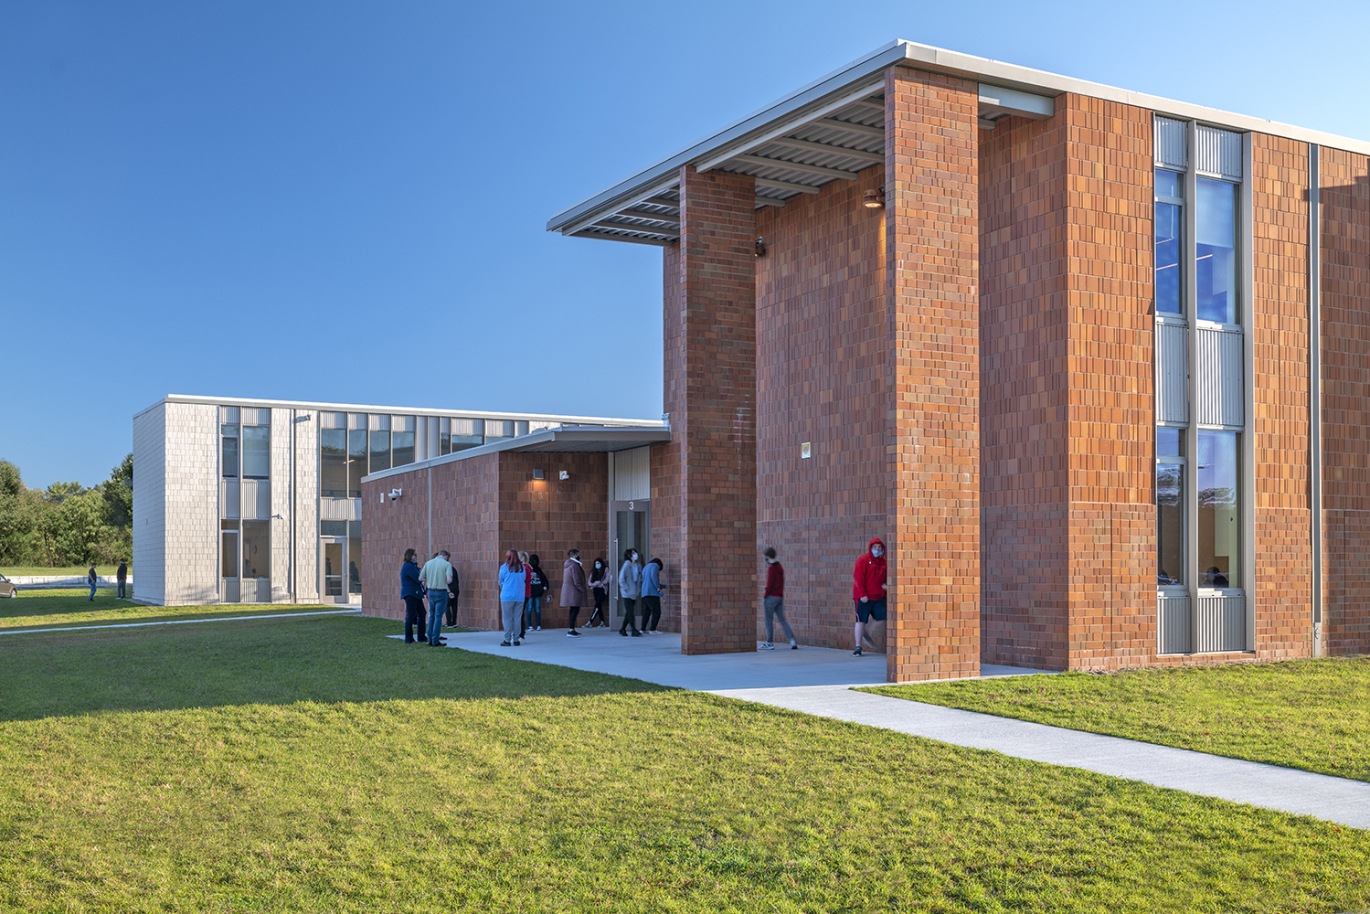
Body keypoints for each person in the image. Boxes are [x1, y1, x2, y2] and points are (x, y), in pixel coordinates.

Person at [852, 537, 887, 656]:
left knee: (883, 617)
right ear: (870, 548)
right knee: (861, 620)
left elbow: (887, 579)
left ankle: (869, 632)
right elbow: (858, 578)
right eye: (875, 547)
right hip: (863, 597)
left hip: (879, 597)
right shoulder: (863, 560)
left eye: (879, 547)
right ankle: (858, 646)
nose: (877, 549)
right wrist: (862, 594)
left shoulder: (885, 563)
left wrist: (886, 588)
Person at [760, 546, 797, 650]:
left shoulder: (772, 569)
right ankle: (792, 641)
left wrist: (765, 596)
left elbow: (769, 584)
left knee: (768, 620)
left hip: (771, 597)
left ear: (767, 556)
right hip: (780, 596)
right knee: (782, 619)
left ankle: (769, 643)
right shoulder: (780, 567)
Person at [421, 551, 454, 647]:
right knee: (438, 616)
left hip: (430, 591)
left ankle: (430, 639)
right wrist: (442, 580)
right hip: (441, 591)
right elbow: (449, 580)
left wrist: (430, 579)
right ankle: (435, 640)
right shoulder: (446, 564)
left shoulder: (428, 563)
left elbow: (421, 577)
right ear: (445, 556)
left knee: (431, 615)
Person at [498, 550, 527, 646]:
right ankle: (516, 639)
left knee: (507, 619)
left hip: (507, 596)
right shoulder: (522, 568)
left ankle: (507, 640)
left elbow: (501, 581)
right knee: (517, 619)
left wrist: (502, 585)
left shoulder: (504, 567)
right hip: (519, 596)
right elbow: (523, 579)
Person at [400, 548, 426, 644]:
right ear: (409, 556)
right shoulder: (408, 566)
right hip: (410, 593)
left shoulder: (413, 566)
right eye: (414, 555)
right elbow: (418, 578)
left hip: (416, 593)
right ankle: (409, 638)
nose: (416, 557)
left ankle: (421, 636)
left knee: (422, 613)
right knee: (411, 615)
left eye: (416, 555)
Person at [561, 548, 589, 637]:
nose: (578, 556)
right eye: (577, 554)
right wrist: (583, 589)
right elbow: (577, 581)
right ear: (574, 555)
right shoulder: (574, 566)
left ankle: (571, 629)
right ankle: (571, 630)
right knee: (574, 610)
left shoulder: (568, 565)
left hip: (570, 591)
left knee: (573, 610)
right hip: (574, 592)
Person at [618, 548, 642, 637]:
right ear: (629, 555)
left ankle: (622, 629)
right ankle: (633, 630)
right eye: (633, 553)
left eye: (636, 552)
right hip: (627, 593)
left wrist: (638, 589)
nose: (635, 554)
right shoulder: (626, 565)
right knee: (630, 612)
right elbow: (621, 579)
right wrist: (627, 588)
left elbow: (639, 577)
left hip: (634, 592)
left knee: (629, 612)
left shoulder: (638, 565)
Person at [640, 557, 664, 634]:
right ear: (659, 564)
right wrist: (658, 587)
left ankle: (642, 629)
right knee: (656, 611)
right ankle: (653, 629)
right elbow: (654, 577)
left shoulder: (645, 567)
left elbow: (646, 579)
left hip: (644, 592)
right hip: (652, 593)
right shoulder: (655, 566)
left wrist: (663, 586)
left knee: (646, 611)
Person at [587, 558, 610, 627]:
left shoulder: (605, 569)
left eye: (599, 563)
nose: (597, 565)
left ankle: (590, 621)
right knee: (598, 606)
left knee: (597, 605)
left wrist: (599, 583)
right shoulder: (594, 571)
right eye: (596, 564)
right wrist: (596, 583)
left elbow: (606, 580)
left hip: (602, 590)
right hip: (595, 590)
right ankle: (602, 622)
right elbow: (589, 582)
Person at [527, 554, 548, 632]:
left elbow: (543, 578)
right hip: (530, 592)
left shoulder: (538, 570)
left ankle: (538, 625)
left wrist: (545, 585)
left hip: (537, 592)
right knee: (530, 608)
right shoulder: (527, 569)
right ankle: (530, 625)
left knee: (537, 609)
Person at [517, 550, 533, 639]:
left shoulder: (525, 568)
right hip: (523, 593)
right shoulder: (524, 568)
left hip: (523, 593)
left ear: (522, 558)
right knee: (519, 614)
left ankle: (521, 633)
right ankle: (520, 633)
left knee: (519, 614)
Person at [443, 551, 461, 627]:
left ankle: (449, 622)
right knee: (454, 606)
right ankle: (453, 621)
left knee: (447, 606)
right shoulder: (452, 568)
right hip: (455, 588)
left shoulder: (446, 568)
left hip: (449, 588)